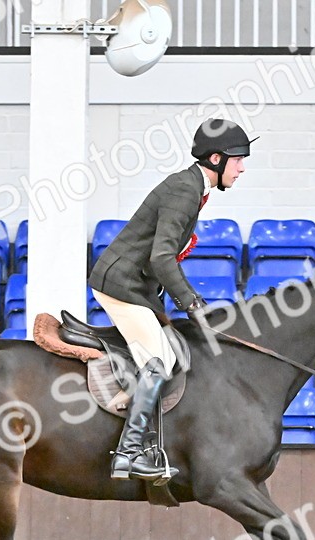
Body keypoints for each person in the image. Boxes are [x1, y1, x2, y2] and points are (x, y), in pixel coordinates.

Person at [88, 118, 257, 482]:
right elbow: (161, 257)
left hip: (138, 286)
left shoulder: (192, 188)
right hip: (121, 284)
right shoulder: (183, 191)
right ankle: (129, 453)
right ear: (216, 158)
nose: (243, 167)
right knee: (160, 360)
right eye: (238, 159)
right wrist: (192, 303)